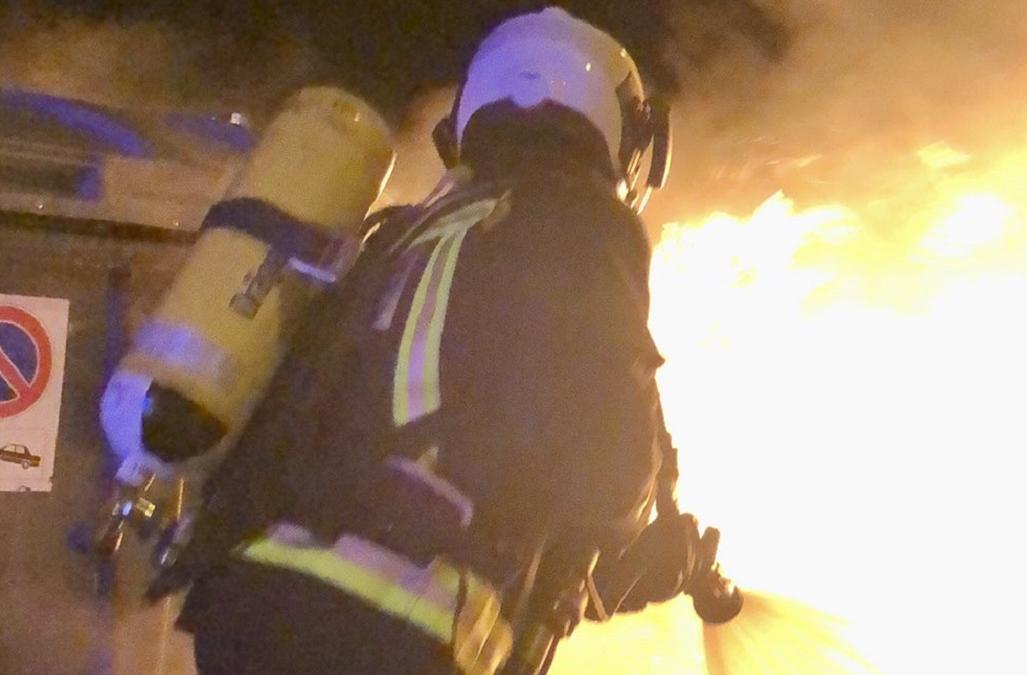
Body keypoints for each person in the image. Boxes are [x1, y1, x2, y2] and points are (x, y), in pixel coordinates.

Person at [168, 7, 691, 674]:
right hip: (388, 627)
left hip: (247, 606)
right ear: (623, 131)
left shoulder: (397, 236)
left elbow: (436, 445)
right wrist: (637, 542)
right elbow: (607, 474)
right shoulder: (580, 220)